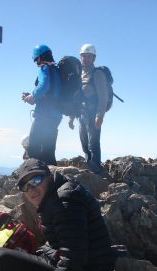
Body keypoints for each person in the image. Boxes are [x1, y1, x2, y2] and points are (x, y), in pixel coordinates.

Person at [69, 44, 111, 174]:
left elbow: (103, 96)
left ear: (93, 58)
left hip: (93, 112)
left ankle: (96, 169)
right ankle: (89, 165)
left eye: (89, 56)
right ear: (80, 57)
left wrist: (100, 115)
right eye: (83, 56)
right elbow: (75, 96)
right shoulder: (79, 73)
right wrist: (71, 117)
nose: (86, 59)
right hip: (81, 112)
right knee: (84, 141)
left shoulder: (97, 74)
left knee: (93, 141)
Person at [21, 44, 62, 166]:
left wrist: (32, 96)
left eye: (35, 59)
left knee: (33, 148)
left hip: (44, 115)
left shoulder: (44, 68)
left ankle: (36, 179)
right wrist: (34, 96)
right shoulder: (56, 70)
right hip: (56, 116)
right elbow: (52, 93)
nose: (35, 63)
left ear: (39, 58)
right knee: (49, 152)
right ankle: (53, 181)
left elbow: (44, 86)